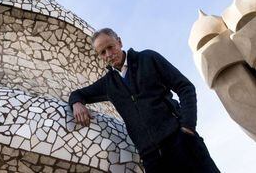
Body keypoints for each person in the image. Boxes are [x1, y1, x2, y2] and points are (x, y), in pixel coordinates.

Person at [69, 28, 220, 173]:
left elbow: (185, 87)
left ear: (119, 42)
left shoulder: (148, 58)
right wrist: (76, 103)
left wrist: (188, 126)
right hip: (153, 160)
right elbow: (78, 94)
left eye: (110, 47)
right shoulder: (108, 84)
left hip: (182, 142)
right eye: (102, 52)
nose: (108, 54)